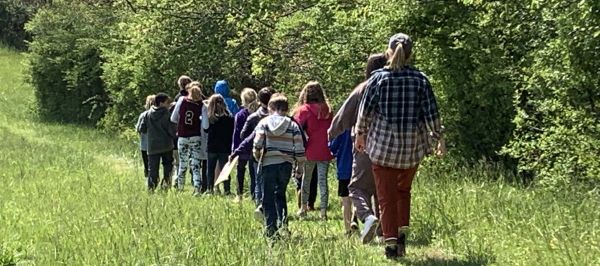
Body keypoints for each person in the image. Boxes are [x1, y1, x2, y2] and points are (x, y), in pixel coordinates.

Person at [355, 33, 446, 259]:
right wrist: (439, 139)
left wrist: (360, 134)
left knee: (385, 197)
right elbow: (431, 114)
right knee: (403, 192)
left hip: (383, 149)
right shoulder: (421, 80)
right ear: (410, 55)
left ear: (388, 52)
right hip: (411, 150)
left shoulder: (378, 79)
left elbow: (365, 112)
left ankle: (391, 245)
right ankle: (402, 234)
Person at [328, 53, 387, 244]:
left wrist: (331, 132)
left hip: (365, 144)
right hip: (389, 146)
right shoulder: (392, 85)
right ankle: (384, 232)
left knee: (356, 187)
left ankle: (367, 217)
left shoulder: (363, 88)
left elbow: (344, 113)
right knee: (381, 190)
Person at [253, 93, 306, 240]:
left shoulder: (264, 123)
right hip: (286, 164)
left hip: (269, 163)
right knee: (280, 194)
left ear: (270, 107)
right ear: (287, 109)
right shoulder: (293, 125)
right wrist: (299, 167)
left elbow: (257, 142)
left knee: (267, 197)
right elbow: (300, 148)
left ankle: (271, 229)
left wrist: (257, 155)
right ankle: (283, 225)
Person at [294, 81, 334, 220]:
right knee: (323, 181)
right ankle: (323, 211)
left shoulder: (303, 110)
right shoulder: (328, 110)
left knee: (306, 179)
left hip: (309, 150)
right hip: (325, 150)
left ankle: (303, 208)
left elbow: (295, 127)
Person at [238, 87, 274, 215]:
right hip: (275, 153)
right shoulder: (279, 117)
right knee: (272, 182)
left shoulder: (253, 117)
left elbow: (243, 135)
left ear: (259, 100)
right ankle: (271, 206)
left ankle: (259, 205)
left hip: (257, 153)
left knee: (258, 180)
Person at [171, 85, 205, 196]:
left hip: (182, 136)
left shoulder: (182, 101)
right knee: (195, 164)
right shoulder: (201, 105)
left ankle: (180, 186)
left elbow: (173, 118)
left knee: (182, 163)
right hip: (195, 136)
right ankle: (197, 188)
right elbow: (205, 125)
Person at [138, 93, 176, 191]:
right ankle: (166, 185)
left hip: (152, 146)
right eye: (167, 102)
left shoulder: (147, 114)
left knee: (153, 168)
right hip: (166, 145)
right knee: (168, 166)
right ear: (161, 103)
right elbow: (172, 130)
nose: (169, 104)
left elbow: (142, 129)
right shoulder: (167, 114)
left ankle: (151, 187)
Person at [232, 88, 260, 202]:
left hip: (243, 147)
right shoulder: (260, 114)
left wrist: (235, 150)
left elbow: (237, 134)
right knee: (254, 172)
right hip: (255, 147)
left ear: (243, 100)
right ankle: (255, 195)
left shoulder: (240, 115)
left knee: (240, 170)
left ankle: (239, 195)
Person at [204, 94, 234, 194]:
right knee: (225, 169)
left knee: (210, 169)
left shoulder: (210, 119)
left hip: (212, 147)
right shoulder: (229, 118)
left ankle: (210, 189)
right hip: (225, 147)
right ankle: (227, 190)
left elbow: (205, 129)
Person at [328, 129, 354, 235]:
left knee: (345, 200)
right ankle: (355, 219)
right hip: (360, 169)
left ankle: (348, 229)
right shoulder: (361, 127)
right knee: (358, 197)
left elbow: (332, 147)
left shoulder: (341, 130)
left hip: (344, 168)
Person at [171, 75, 193, 184]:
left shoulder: (178, 98)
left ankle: (177, 180)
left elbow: (174, 117)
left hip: (180, 132)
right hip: (194, 132)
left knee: (179, 161)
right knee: (193, 159)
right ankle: (195, 181)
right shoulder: (196, 96)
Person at [135, 94, 155, 179]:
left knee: (147, 165)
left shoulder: (143, 115)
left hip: (144, 145)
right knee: (155, 165)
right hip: (155, 144)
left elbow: (138, 129)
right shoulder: (158, 114)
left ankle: (148, 181)